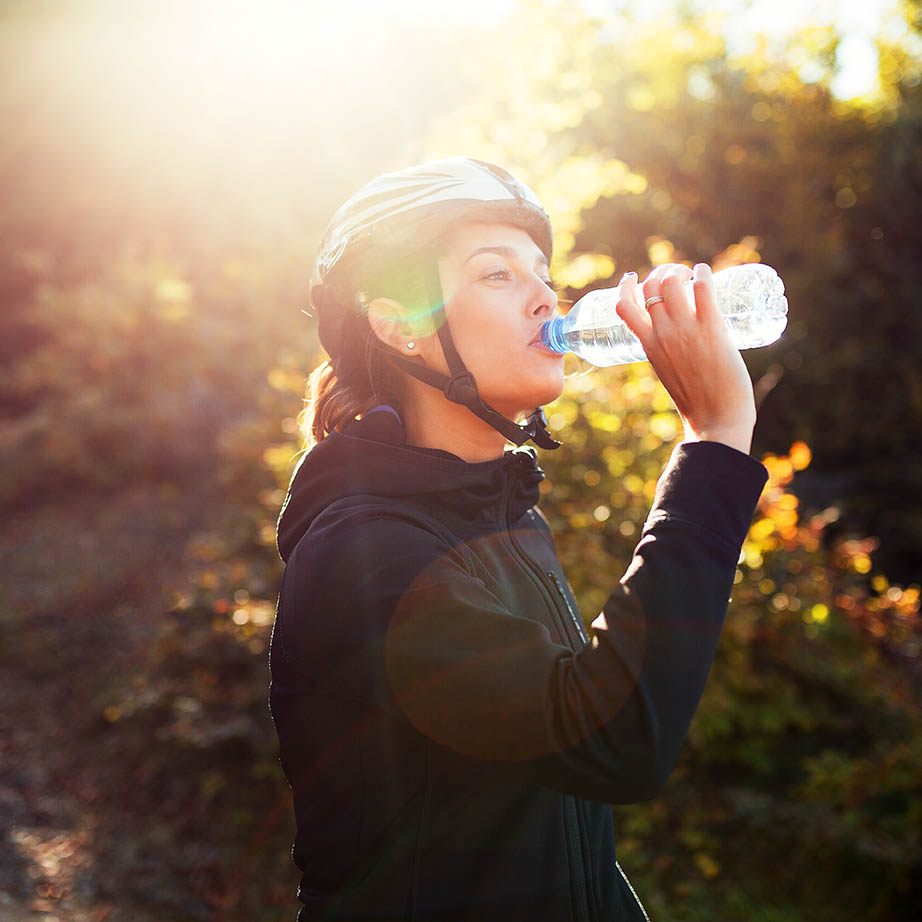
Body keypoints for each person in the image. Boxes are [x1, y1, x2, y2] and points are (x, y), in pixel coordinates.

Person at [269, 157, 768, 922]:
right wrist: (715, 441)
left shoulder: (502, 518)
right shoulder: (363, 555)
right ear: (400, 325)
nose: (546, 296)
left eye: (543, 271)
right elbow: (616, 738)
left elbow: (555, 821)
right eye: (496, 276)